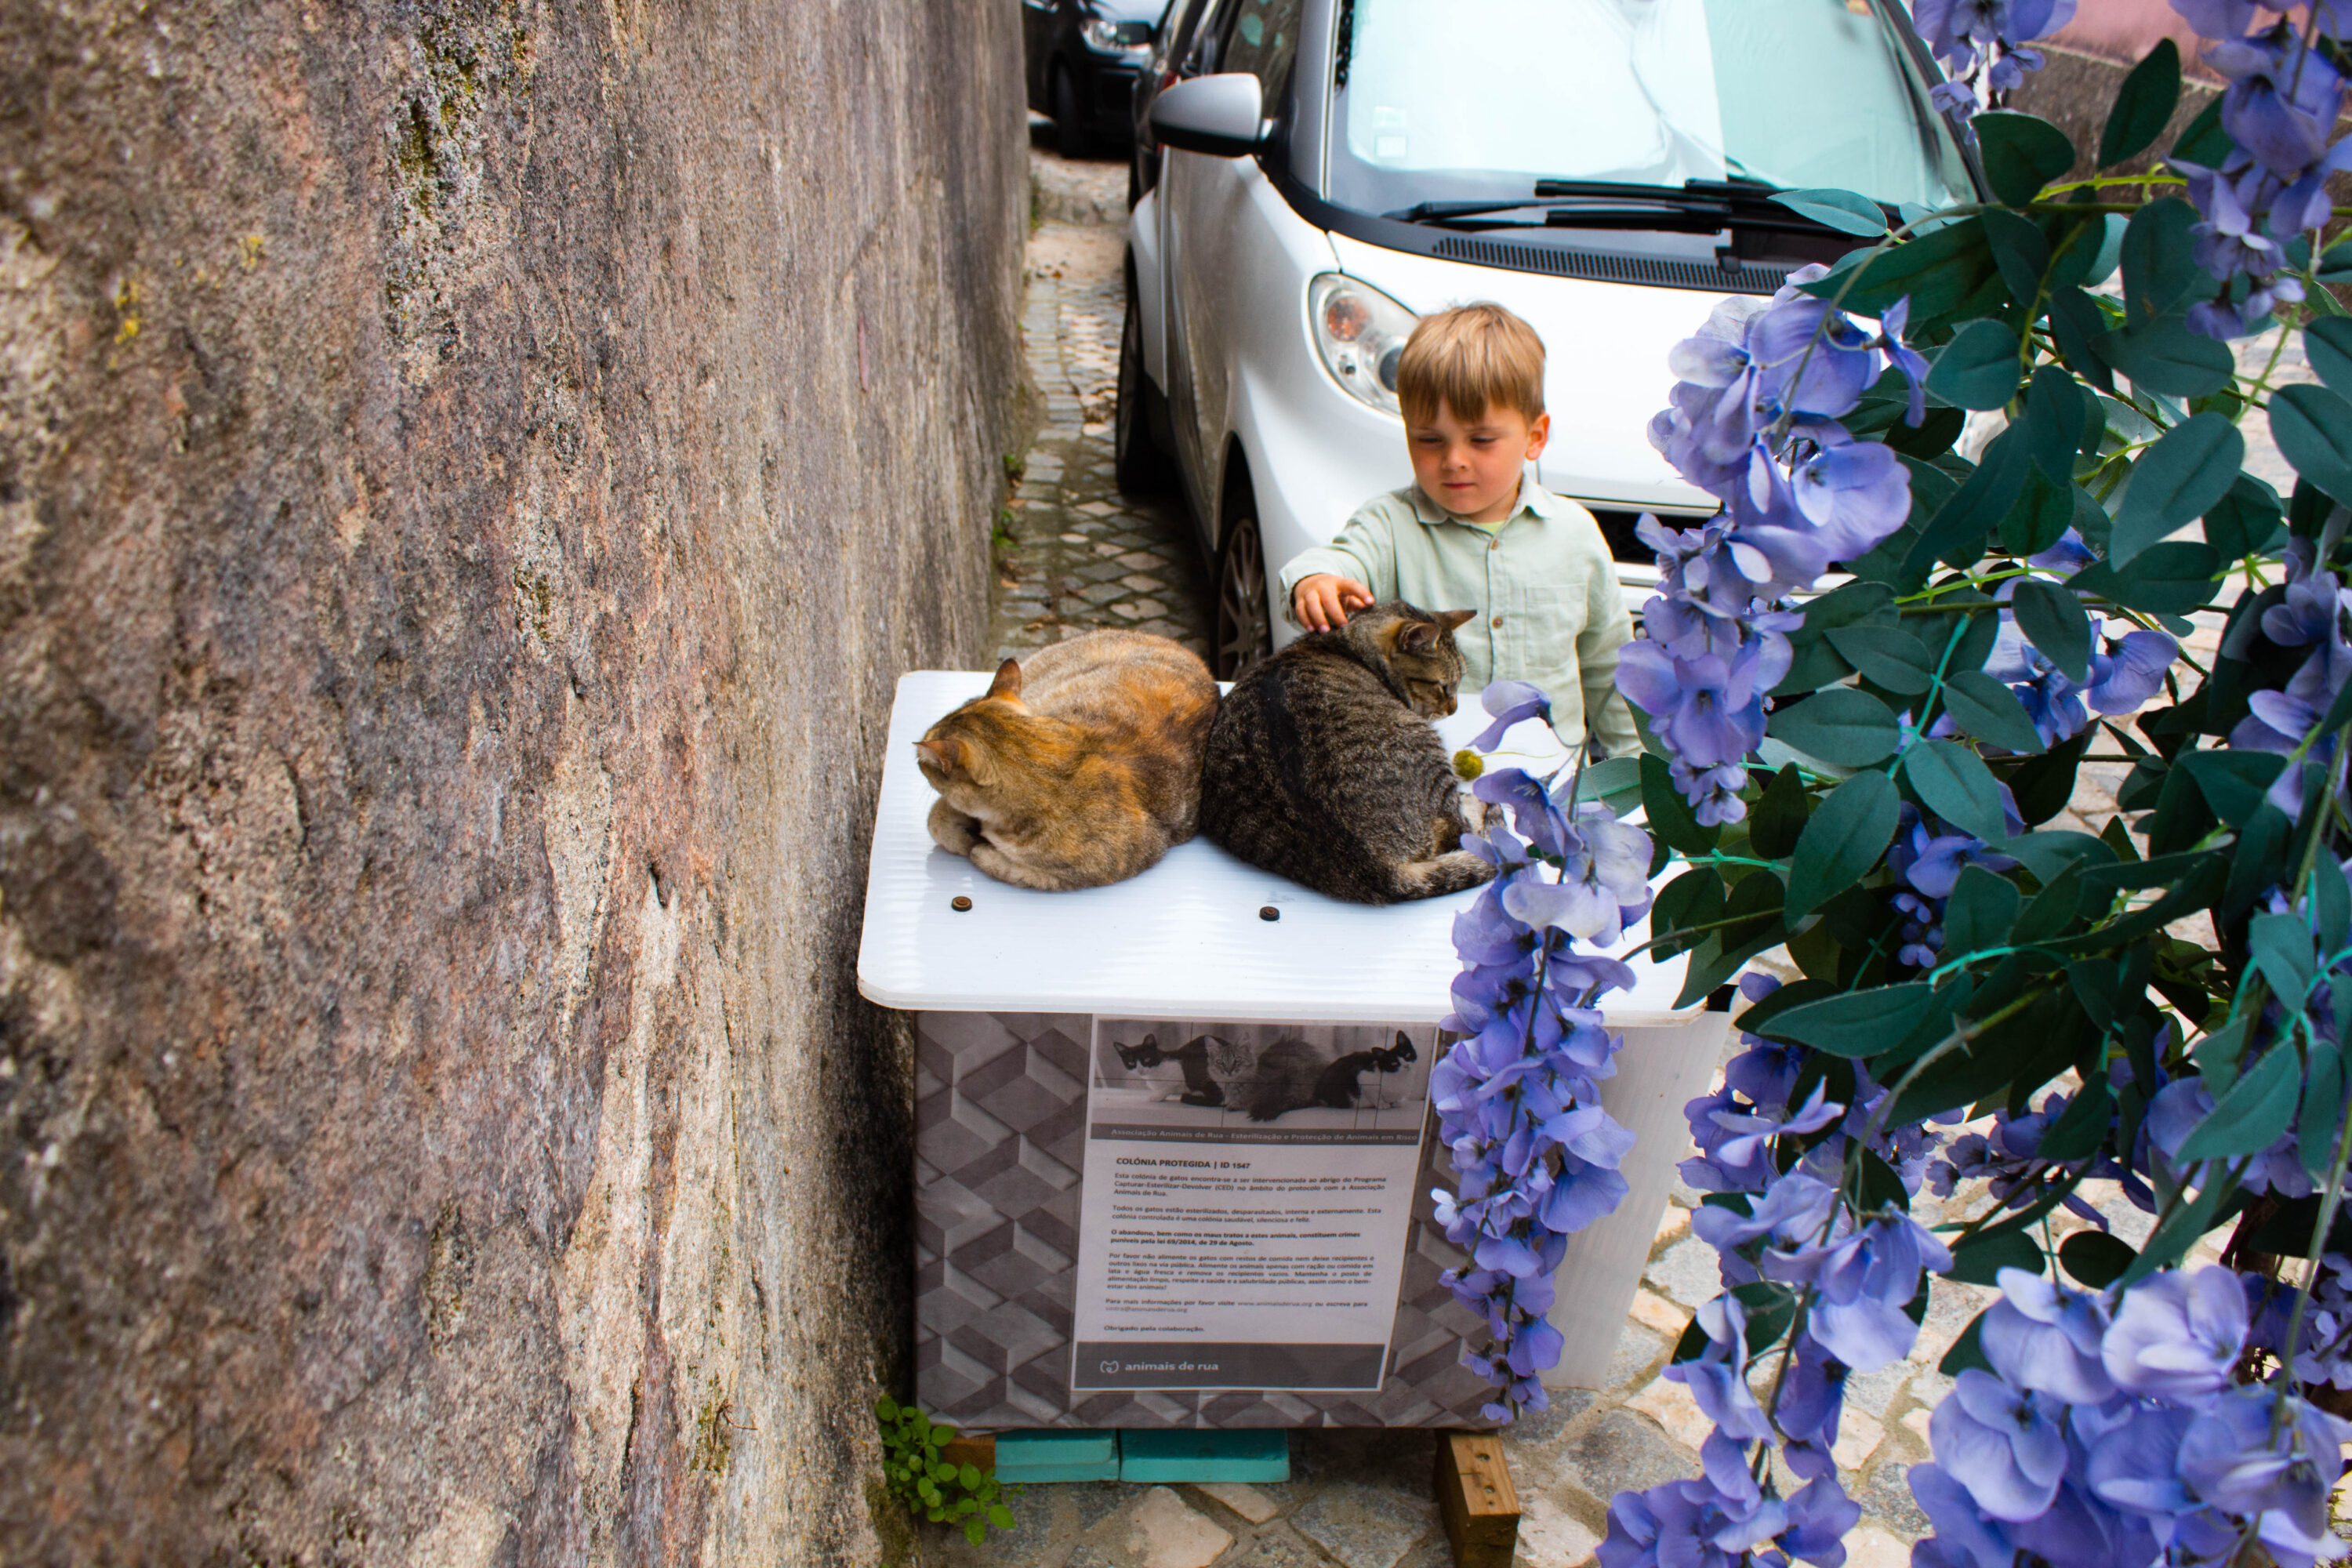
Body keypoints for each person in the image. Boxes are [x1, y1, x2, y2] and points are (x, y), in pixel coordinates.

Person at [1278, 302, 1640, 755]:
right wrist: (1314, 581)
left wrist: (1638, 777)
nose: (1454, 460)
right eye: (1430, 439)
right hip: (1424, 777)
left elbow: (1612, 669)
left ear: (1535, 437)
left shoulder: (1577, 534)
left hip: (1553, 785)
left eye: (1481, 440)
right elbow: (1340, 558)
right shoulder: (1389, 524)